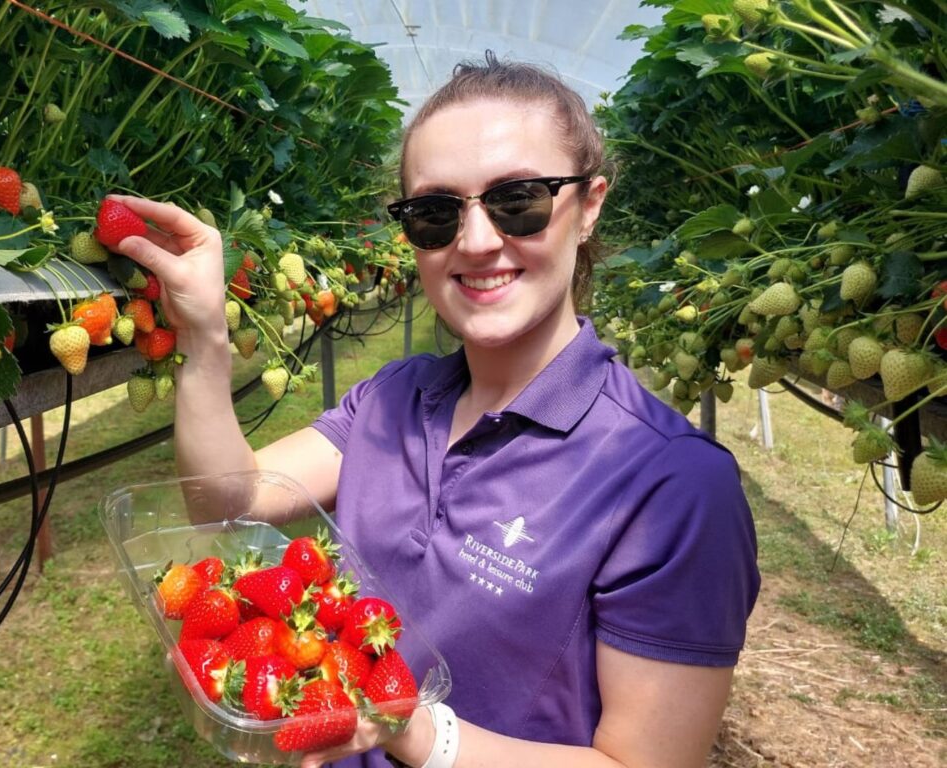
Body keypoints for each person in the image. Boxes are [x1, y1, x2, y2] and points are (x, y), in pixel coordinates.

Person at [112, 52, 760, 768]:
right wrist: (205, 340)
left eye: (519, 200)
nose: (478, 241)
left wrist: (417, 733)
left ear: (589, 206)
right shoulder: (393, 398)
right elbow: (227, 498)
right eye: (435, 212)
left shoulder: (671, 485)